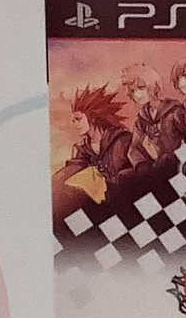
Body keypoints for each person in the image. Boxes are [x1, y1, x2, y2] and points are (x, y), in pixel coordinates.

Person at [52, 81, 129, 217]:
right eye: (73, 121)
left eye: (78, 119)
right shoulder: (85, 147)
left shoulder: (121, 140)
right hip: (107, 204)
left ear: (92, 118)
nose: (74, 124)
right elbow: (70, 170)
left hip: (131, 200)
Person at [120, 62, 186, 168]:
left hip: (180, 165)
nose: (137, 94)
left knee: (166, 160)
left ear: (155, 87)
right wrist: (141, 165)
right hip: (156, 166)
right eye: (133, 91)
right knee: (124, 175)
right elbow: (134, 149)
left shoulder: (175, 111)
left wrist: (182, 159)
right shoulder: (141, 119)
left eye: (141, 88)